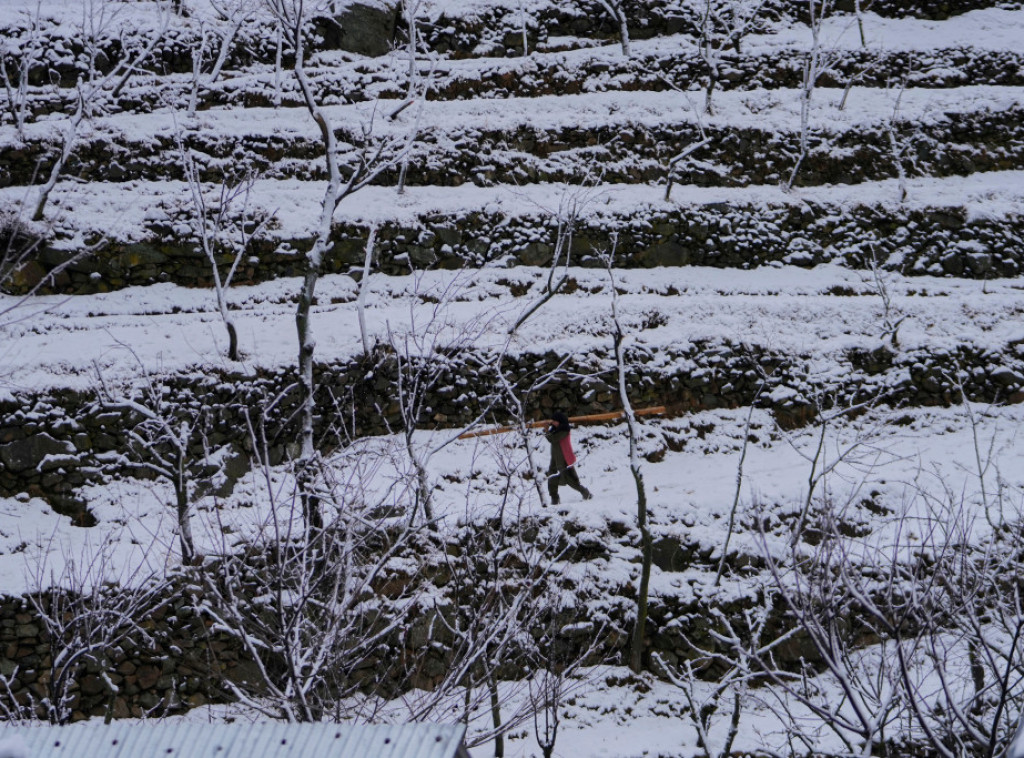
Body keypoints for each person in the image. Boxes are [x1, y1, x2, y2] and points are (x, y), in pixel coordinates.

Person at [545, 411, 592, 505]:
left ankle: (585, 492)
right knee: (551, 478)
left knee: (570, 479)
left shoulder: (564, 430)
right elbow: (551, 437)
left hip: (564, 459)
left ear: (560, 421)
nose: (553, 423)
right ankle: (554, 498)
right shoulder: (554, 429)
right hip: (555, 459)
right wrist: (548, 430)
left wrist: (546, 430)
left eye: (555, 421)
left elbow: (552, 439)